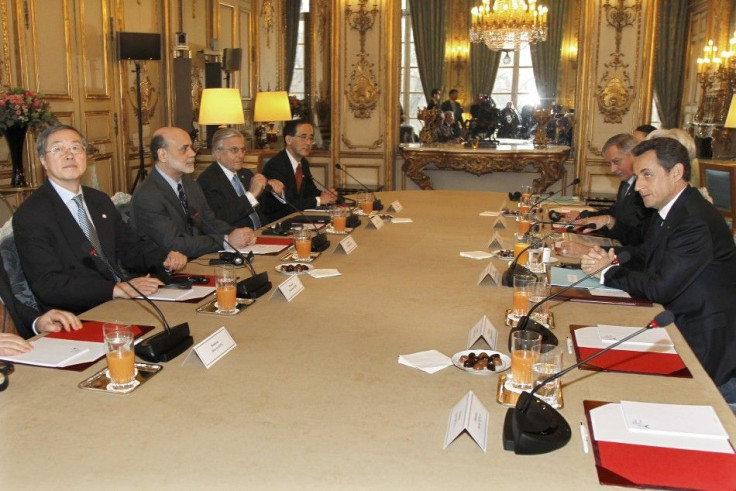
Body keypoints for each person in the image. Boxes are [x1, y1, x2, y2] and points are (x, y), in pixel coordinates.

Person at [580, 137, 736, 411]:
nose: (638, 185)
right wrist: (612, 258)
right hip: (682, 325)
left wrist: (607, 273)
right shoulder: (671, 210)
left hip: (704, 346)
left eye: (647, 175)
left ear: (676, 172)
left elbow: (660, 288)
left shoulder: (693, 221)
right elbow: (646, 254)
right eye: (638, 175)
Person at [13, 125, 187, 314]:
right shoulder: (31, 214)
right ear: (43, 161)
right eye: (57, 149)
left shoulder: (98, 200)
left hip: (122, 301)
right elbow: (49, 284)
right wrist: (115, 290)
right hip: (78, 313)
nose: (69, 155)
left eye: (75, 148)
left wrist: (166, 259)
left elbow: (130, 247)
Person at [130, 127, 257, 258]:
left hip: (198, 259)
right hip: (165, 271)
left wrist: (238, 234)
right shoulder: (147, 196)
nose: (192, 153)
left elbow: (209, 222)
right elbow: (174, 244)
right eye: (184, 149)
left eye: (191, 148)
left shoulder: (190, 185)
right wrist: (226, 240)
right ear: (163, 155)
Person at [572, 133, 655, 245]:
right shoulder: (626, 183)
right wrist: (584, 217)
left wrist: (609, 222)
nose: (612, 169)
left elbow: (638, 236)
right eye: (609, 164)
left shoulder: (644, 189)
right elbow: (616, 212)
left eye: (616, 161)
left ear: (634, 154)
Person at [198, 128, 284, 229]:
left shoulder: (246, 174)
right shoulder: (207, 180)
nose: (241, 155)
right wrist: (251, 195)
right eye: (234, 150)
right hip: (237, 239)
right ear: (217, 153)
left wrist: (276, 192)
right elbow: (220, 218)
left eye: (243, 150)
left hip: (263, 232)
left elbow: (265, 209)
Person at [261, 119, 337, 222]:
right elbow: (289, 204)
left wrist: (328, 195)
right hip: (279, 223)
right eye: (303, 137)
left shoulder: (303, 163)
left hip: (297, 219)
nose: (308, 143)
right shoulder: (276, 166)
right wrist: (319, 200)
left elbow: (310, 191)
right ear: (288, 140)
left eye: (311, 138)